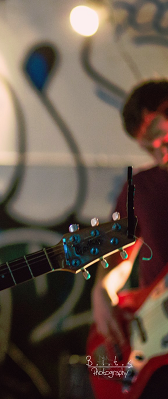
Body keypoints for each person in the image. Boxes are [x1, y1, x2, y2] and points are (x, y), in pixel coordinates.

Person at [91, 79, 168, 398]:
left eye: (156, 133)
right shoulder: (140, 188)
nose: (154, 147)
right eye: (144, 143)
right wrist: (102, 290)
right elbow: (118, 257)